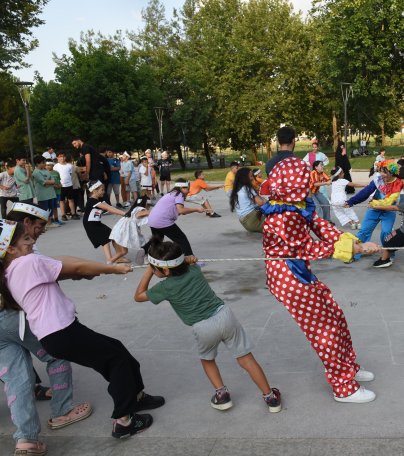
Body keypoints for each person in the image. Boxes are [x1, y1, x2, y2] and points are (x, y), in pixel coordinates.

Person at [1, 223, 165, 439]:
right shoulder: (28, 262)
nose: (32, 241)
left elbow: (64, 267)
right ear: (10, 249)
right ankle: (124, 420)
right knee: (115, 359)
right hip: (60, 331)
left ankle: (136, 395)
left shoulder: (10, 272)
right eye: (25, 239)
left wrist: (87, 272)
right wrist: (113, 268)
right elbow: (76, 268)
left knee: (116, 349)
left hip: (56, 333)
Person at [258, 156, 380, 403]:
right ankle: (343, 387)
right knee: (324, 330)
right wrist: (350, 251)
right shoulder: (283, 214)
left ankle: (349, 367)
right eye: (305, 178)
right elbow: (306, 248)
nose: (309, 182)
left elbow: (322, 226)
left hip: (298, 270)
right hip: (289, 277)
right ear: (293, 183)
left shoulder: (295, 204)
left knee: (335, 317)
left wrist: (355, 243)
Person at [135, 238, 281, 412]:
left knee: (207, 359)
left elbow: (139, 296)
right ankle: (270, 398)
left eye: (154, 267)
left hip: (203, 327)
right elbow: (188, 261)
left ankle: (222, 395)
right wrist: (187, 259)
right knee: (246, 359)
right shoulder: (194, 269)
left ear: (165, 270)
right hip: (224, 315)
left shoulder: (164, 288)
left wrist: (149, 272)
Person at [0, 220, 92, 455]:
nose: (32, 240)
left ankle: (27, 440)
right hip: (13, 319)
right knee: (57, 354)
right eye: (27, 238)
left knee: (16, 381)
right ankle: (62, 412)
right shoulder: (21, 259)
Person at [344, 160, 403, 260]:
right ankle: (355, 253)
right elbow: (366, 192)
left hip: (388, 210)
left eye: (384, 172)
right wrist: (351, 201)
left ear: (392, 172)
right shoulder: (378, 179)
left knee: (386, 232)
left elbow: (389, 201)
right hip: (373, 209)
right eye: (380, 171)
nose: (381, 174)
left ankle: (389, 255)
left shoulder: (398, 183)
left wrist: (374, 203)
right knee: (364, 231)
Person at [141, 180, 203, 261]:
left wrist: (188, 211)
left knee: (157, 239)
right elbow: (181, 210)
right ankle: (190, 259)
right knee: (181, 239)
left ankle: (144, 249)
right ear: (181, 188)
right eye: (187, 189)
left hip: (153, 219)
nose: (188, 191)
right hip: (162, 220)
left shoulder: (171, 193)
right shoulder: (179, 194)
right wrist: (196, 209)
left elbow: (179, 211)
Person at [372, 181, 404, 268]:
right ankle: (388, 258)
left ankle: (384, 260)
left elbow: (393, 207)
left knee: (388, 241)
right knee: (393, 241)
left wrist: (378, 207)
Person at [82, 180, 130, 263]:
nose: (103, 192)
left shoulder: (99, 199)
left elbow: (109, 206)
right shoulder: (92, 201)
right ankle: (109, 260)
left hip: (97, 223)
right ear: (94, 191)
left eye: (103, 190)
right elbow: (107, 209)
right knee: (105, 240)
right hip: (90, 225)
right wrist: (123, 213)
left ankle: (119, 256)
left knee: (112, 235)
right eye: (102, 190)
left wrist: (124, 213)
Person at [109, 196, 151, 265]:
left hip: (118, 231)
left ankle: (145, 257)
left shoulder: (134, 209)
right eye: (149, 204)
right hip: (123, 232)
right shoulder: (141, 210)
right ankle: (109, 263)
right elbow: (141, 214)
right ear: (146, 204)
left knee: (141, 242)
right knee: (124, 251)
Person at [230, 168, 266, 239]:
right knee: (277, 225)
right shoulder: (247, 187)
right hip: (252, 219)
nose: (253, 179)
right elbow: (260, 202)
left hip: (244, 222)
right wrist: (272, 200)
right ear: (245, 178)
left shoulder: (237, 188)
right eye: (251, 176)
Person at [31, 156, 57, 229]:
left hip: (50, 193)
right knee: (43, 210)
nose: (44, 164)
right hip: (43, 194)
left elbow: (53, 180)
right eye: (43, 162)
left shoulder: (45, 170)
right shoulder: (36, 172)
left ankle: (49, 223)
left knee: (50, 209)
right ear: (37, 163)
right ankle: (41, 225)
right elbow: (43, 182)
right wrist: (49, 182)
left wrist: (50, 182)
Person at [54, 154, 75, 221]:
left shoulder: (69, 166)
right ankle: (63, 214)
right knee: (62, 201)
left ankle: (73, 214)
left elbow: (70, 174)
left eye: (63, 156)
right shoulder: (56, 166)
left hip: (69, 185)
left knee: (71, 200)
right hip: (61, 186)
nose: (62, 158)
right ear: (57, 158)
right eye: (60, 157)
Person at [45, 160, 65, 226]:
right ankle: (51, 219)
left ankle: (56, 219)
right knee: (51, 206)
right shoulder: (45, 173)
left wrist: (59, 185)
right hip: (50, 192)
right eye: (46, 165)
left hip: (57, 192)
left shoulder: (56, 172)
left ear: (53, 165)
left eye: (49, 165)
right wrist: (54, 186)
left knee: (55, 206)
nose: (47, 167)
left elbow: (59, 181)